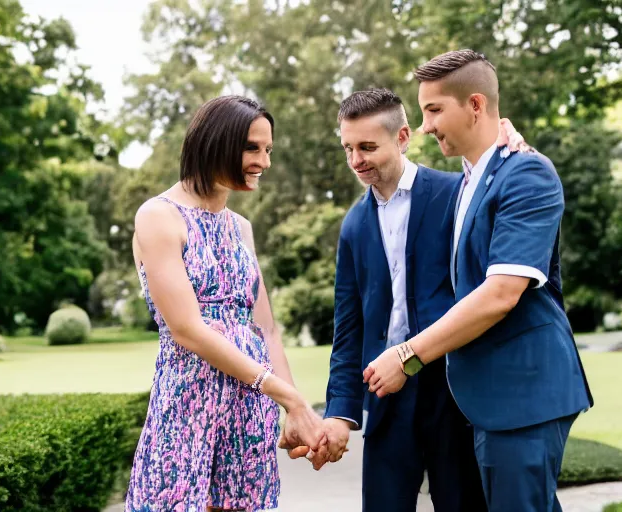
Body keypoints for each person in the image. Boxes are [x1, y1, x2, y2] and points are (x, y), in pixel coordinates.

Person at [363, 50, 593, 512]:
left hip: (523, 392)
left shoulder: (527, 173)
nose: (425, 126)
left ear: (474, 105)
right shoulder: (469, 180)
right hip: (485, 398)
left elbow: (500, 295)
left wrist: (407, 356)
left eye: (433, 110)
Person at [314, 88, 525, 511]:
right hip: (386, 400)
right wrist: (340, 411)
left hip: (454, 393)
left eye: (368, 147)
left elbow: (500, 180)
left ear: (404, 136)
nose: (356, 160)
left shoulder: (456, 194)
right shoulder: (353, 224)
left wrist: (508, 139)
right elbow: (348, 325)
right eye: (348, 148)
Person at [125, 95, 324, 512]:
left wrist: (292, 408)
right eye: (253, 148)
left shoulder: (241, 228)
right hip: (186, 406)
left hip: (248, 408)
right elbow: (187, 329)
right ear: (216, 143)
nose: (264, 162)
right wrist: (287, 397)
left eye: (268, 150)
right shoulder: (158, 216)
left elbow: (265, 329)